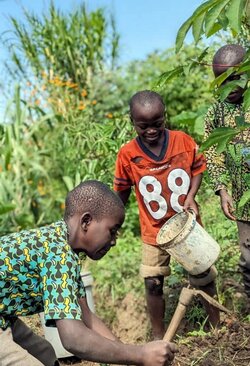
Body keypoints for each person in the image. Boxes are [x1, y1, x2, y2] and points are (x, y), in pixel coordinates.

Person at [0, 180, 177, 366]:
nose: (114, 240)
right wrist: (139, 354)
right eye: (113, 230)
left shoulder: (64, 248)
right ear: (86, 221)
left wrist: (130, 359)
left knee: (45, 354)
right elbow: (73, 338)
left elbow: (87, 317)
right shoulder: (57, 253)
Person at [114, 90, 219, 340]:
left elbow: (198, 167)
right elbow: (121, 191)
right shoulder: (128, 154)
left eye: (157, 123)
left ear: (165, 116)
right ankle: (158, 336)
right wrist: (115, 223)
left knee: (203, 274)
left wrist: (191, 195)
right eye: (143, 126)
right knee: (152, 281)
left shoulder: (182, 141)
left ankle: (218, 326)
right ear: (132, 122)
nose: (151, 130)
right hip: (154, 231)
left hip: (187, 227)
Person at [204, 44, 250, 300]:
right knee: (248, 261)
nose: (228, 89)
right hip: (244, 202)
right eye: (220, 82)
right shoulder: (215, 114)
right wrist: (222, 190)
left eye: (234, 79)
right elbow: (212, 154)